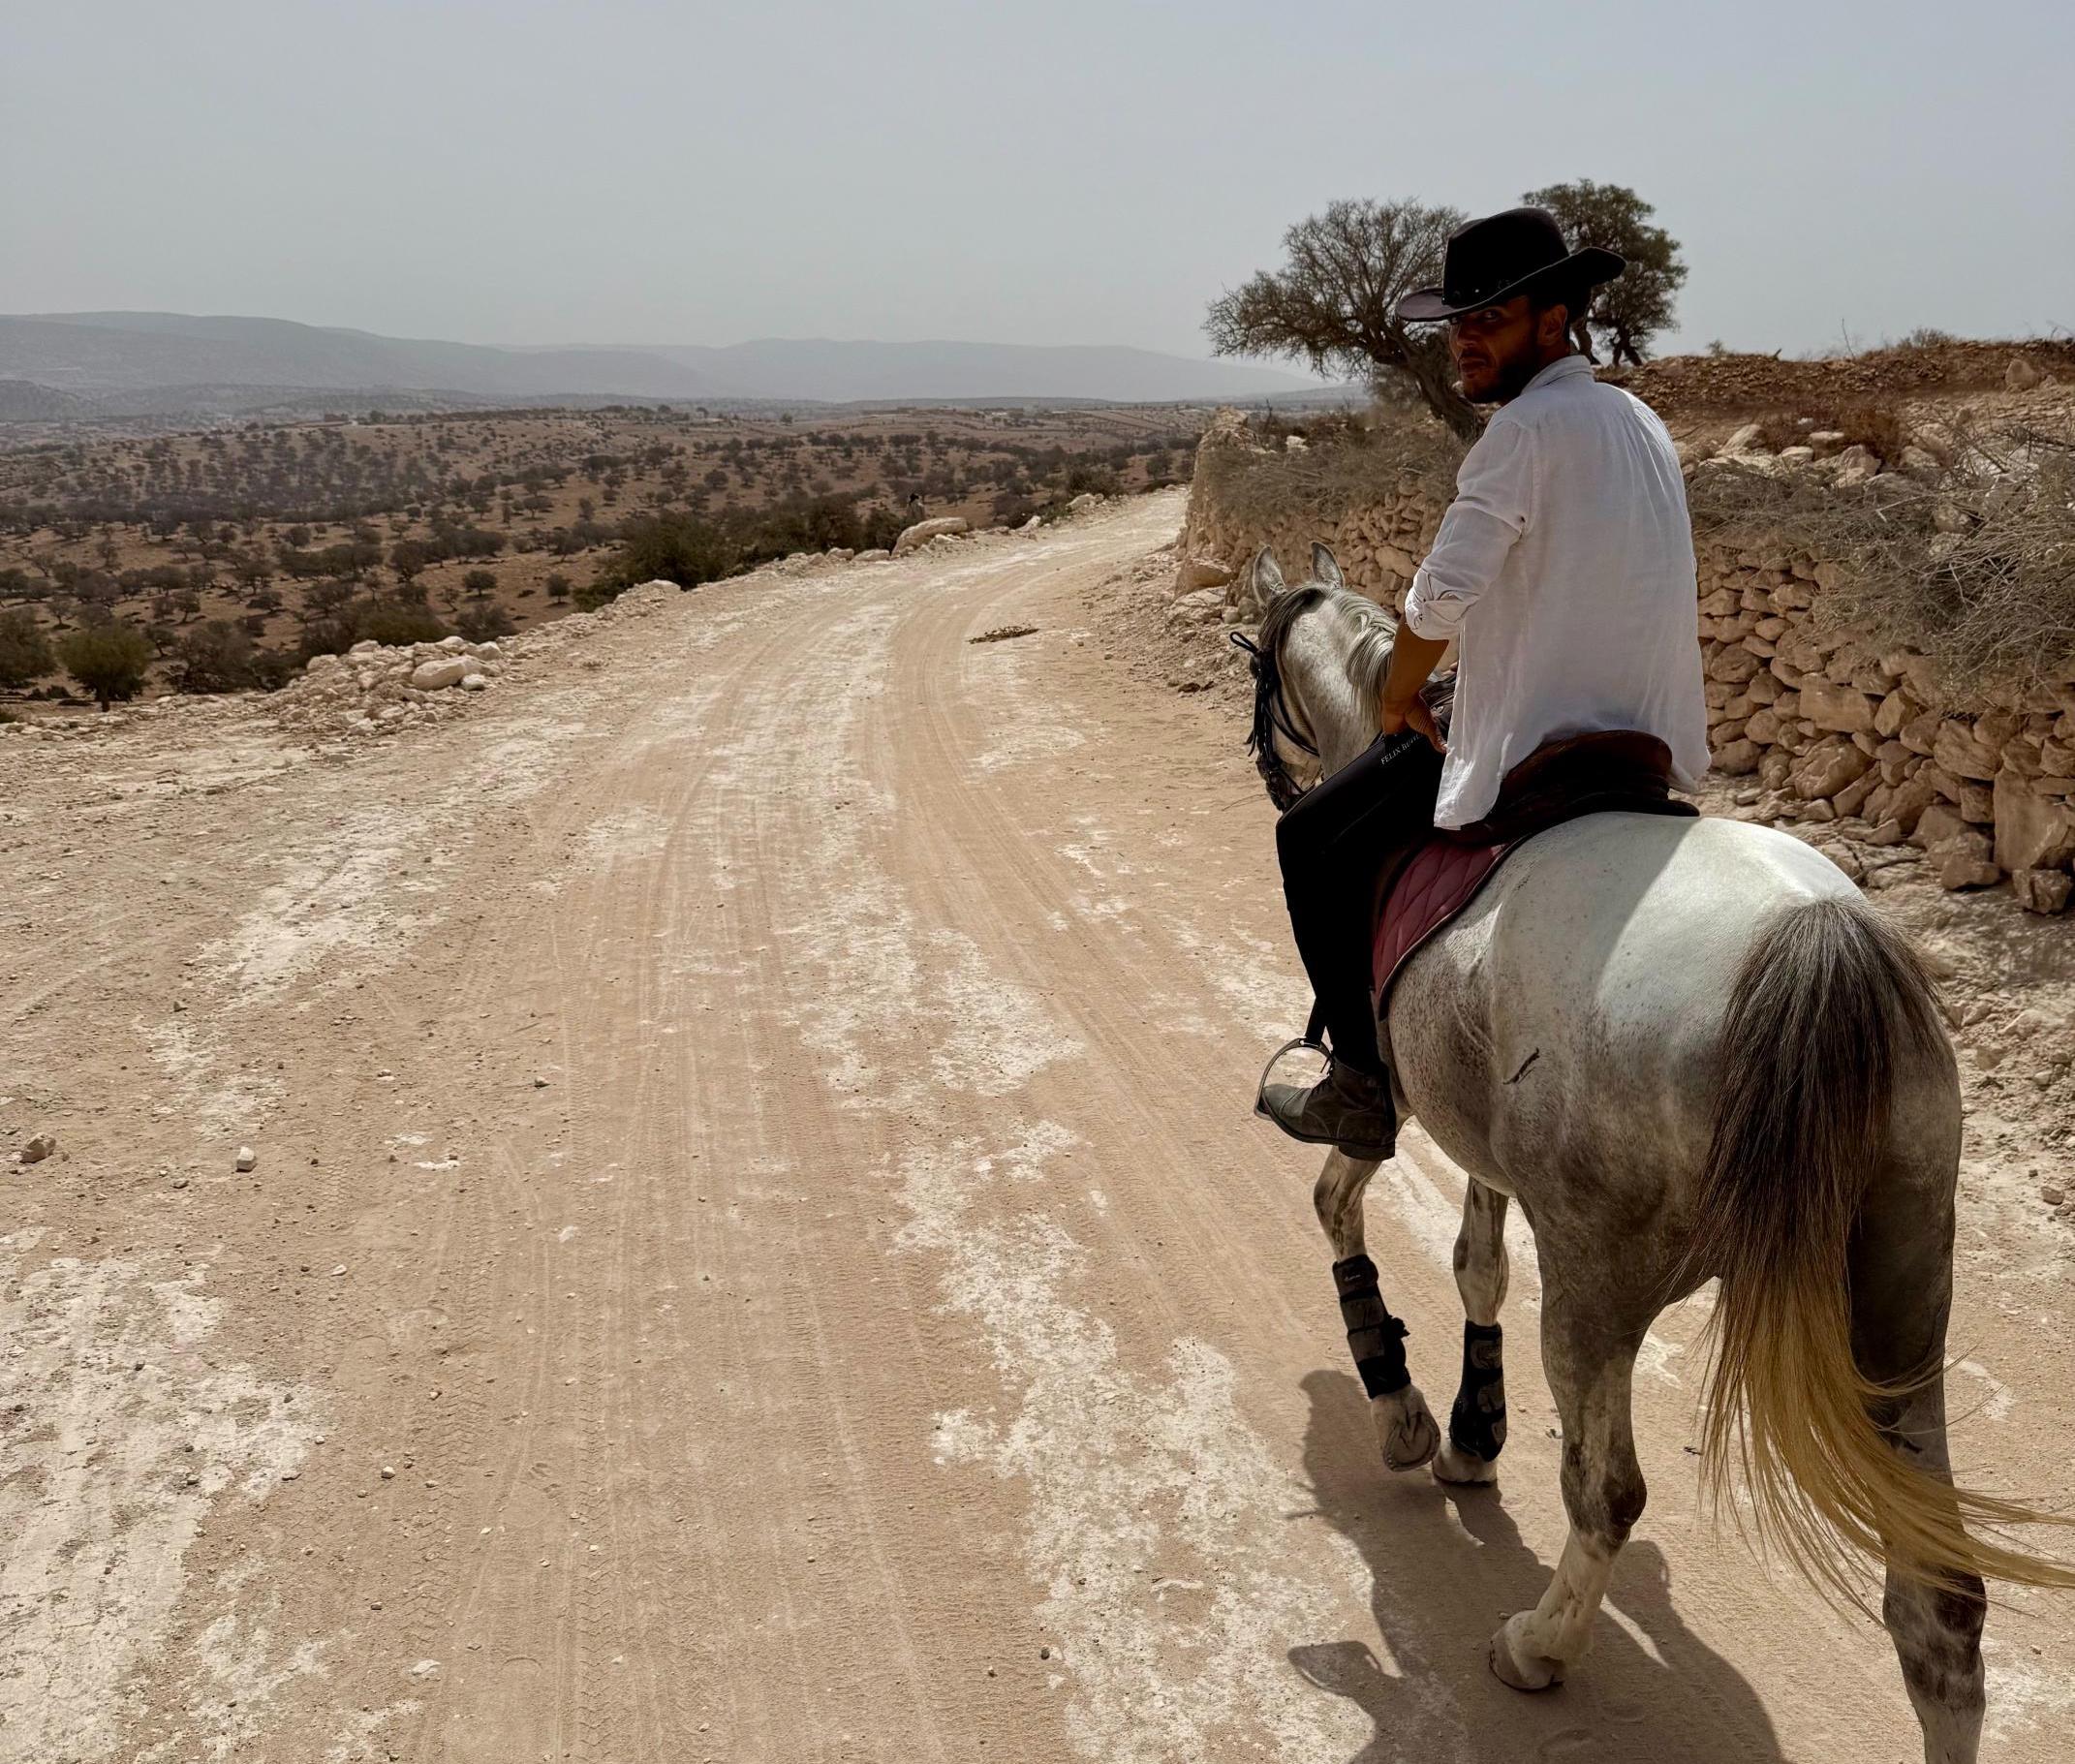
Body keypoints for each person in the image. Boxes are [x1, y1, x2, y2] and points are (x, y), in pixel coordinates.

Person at [1256, 206, 1711, 1160]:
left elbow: (1436, 601)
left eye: (1490, 317)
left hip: (1538, 744)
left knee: (1308, 839)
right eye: (1457, 320)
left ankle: (1360, 1087)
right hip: (1651, 738)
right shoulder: (1639, 423)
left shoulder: (1521, 433)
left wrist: (1393, 697)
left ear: (1554, 322)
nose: (1464, 337)